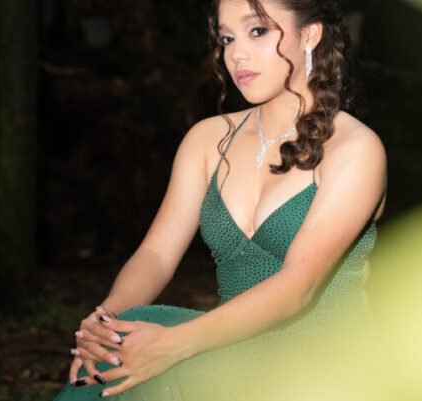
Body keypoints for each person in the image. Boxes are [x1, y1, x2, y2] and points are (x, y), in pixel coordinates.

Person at [53, 0, 387, 399]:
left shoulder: (354, 149)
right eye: (226, 39)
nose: (236, 54)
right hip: (231, 348)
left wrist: (174, 345)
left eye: (257, 31)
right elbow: (156, 254)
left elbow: (297, 287)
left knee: (153, 360)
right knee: (124, 337)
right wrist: (106, 322)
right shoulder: (207, 141)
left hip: (325, 365)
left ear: (310, 35)